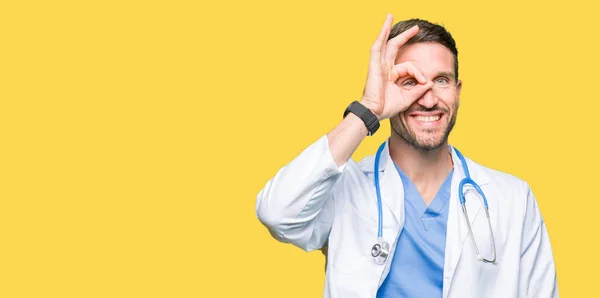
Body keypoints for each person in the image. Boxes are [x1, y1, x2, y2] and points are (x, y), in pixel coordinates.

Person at [255, 13, 558, 298]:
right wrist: (369, 109)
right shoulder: (343, 192)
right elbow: (278, 213)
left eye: (441, 80)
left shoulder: (513, 199)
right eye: (410, 82)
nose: (428, 99)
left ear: (458, 90)